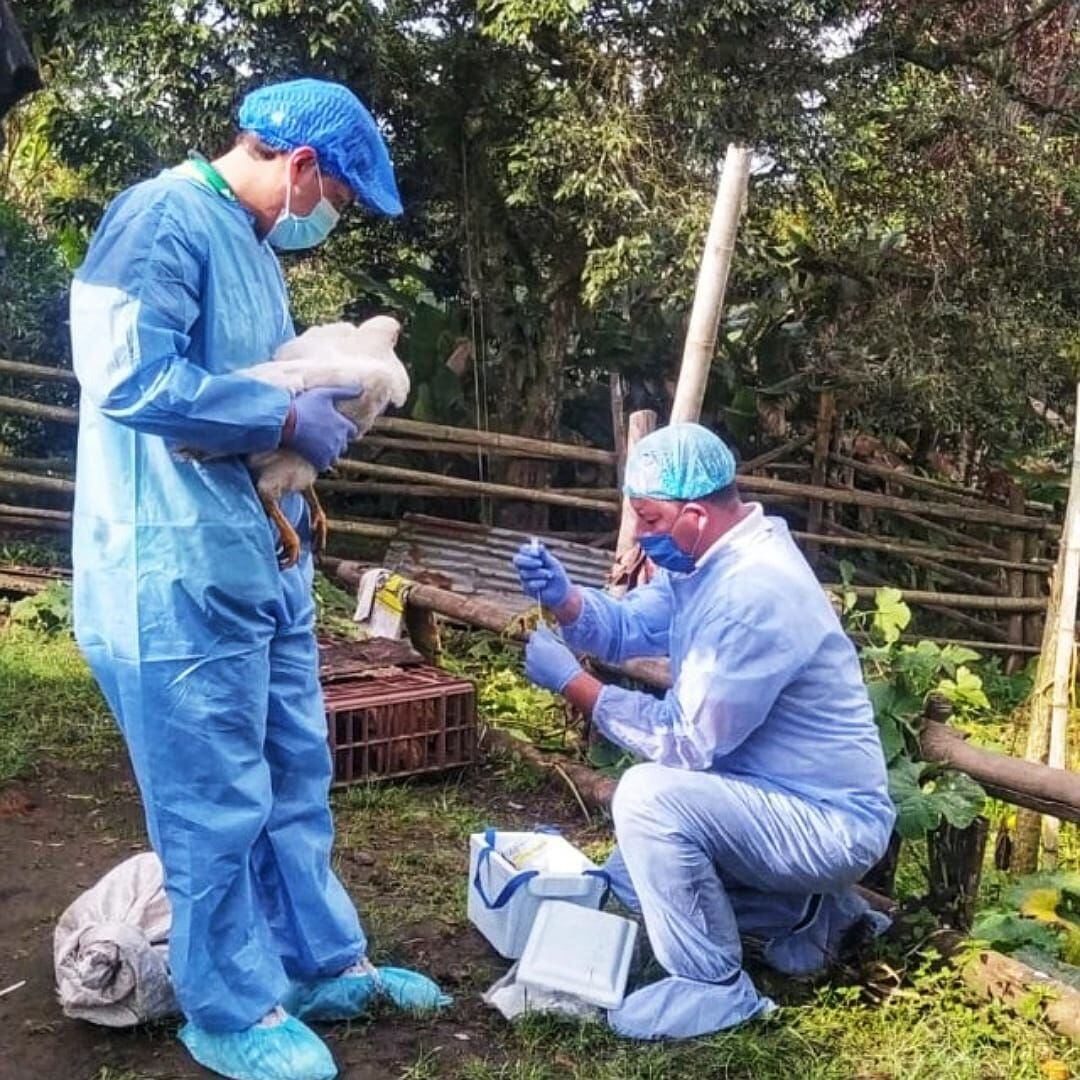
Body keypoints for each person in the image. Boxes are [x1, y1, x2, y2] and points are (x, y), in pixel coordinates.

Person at [70, 78, 449, 1080]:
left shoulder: (246, 247)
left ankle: (317, 962)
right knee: (214, 798)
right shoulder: (161, 219)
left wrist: (315, 416)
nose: (332, 218)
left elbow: (263, 374)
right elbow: (129, 378)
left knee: (292, 772)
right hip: (173, 569)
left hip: (259, 560)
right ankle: (229, 1004)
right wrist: (284, 421)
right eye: (340, 199)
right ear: (303, 167)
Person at [512, 422, 895, 1040]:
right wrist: (566, 602)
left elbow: (686, 742)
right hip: (765, 795)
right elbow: (631, 626)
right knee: (633, 883)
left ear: (694, 514)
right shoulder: (708, 564)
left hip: (827, 824)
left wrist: (575, 687)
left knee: (646, 798)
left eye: (650, 520)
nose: (639, 535)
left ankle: (713, 985)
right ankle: (805, 919)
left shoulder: (755, 592)